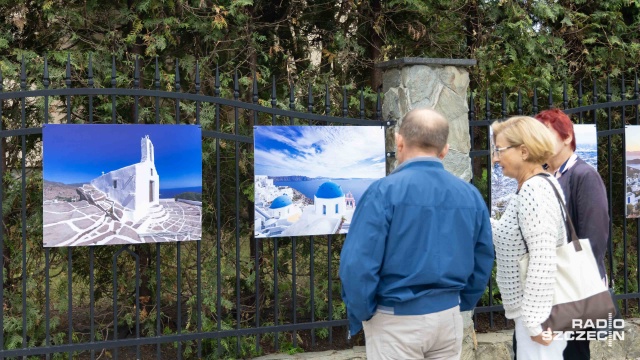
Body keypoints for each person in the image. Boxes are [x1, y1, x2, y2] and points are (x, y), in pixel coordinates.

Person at [339, 108, 495, 360]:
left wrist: (364, 312)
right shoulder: (470, 195)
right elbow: (483, 259)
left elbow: (357, 264)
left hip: (395, 319)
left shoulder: (383, 192)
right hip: (448, 318)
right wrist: (459, 303)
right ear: (444, 150)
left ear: (399, 141)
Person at [490, 116, 568, 359]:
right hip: (539, 311)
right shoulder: (535, 186)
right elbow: (510, 236)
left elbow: (543, 258)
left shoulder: (535, 190)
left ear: (523, 151)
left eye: (499, 150)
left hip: (541, 315)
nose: (495, 158)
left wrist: (535, 323)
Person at [535, 109, 609, 360]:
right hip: (551, 289)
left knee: (572, 354)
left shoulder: (584, 175)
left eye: (546, 133)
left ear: (567, 137)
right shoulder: (546, 176)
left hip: (573, 289)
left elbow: (594, 239)